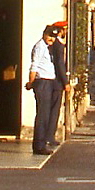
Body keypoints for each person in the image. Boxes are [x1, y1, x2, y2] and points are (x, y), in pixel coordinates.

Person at [26, 23, 69, 155]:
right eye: (50, 36)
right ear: (44, 34)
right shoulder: (39, 47)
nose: (51, 39)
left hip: (49, 81)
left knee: (46, 115)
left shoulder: (48, 47)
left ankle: (43, 143)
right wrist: (31, 82)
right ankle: (39, 145)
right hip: (42, 82)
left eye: (53, 37)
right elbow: (34, 66)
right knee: (42, 115)